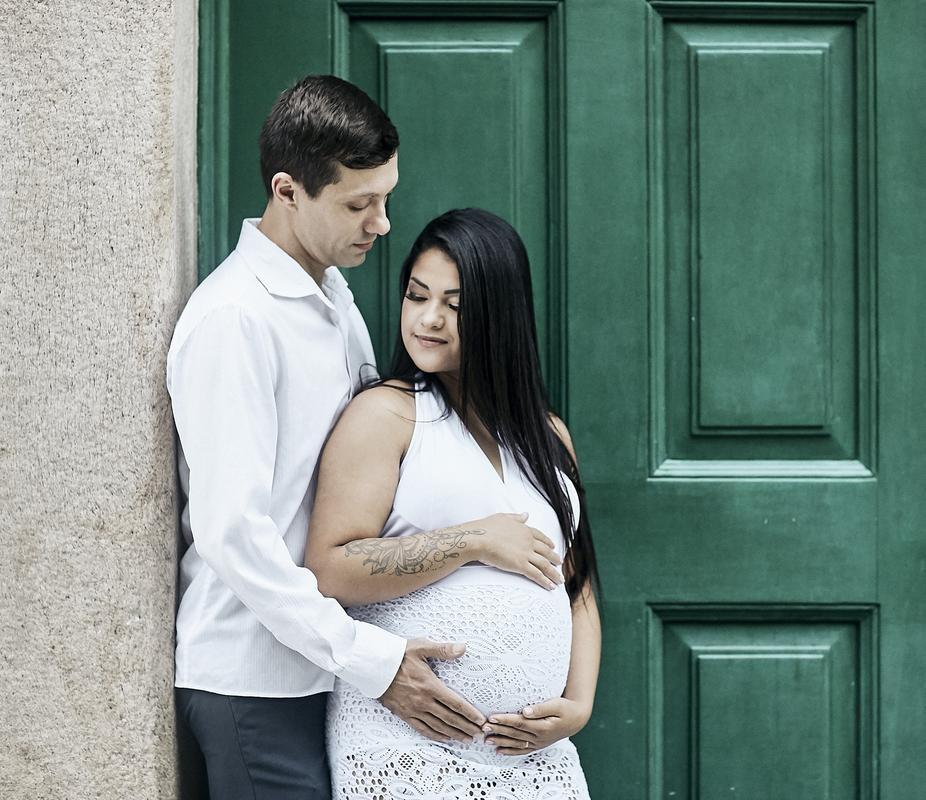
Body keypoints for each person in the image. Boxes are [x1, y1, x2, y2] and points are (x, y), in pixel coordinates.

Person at [168, 77, 555, 799]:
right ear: (287, 192)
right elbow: (232, 533)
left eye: (385, 197)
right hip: (257, 680)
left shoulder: (333, 298)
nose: (381, 223)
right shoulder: (236, 319)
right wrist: (370, 660)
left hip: (324, 674)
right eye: (358, 204)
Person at [305, 208, 601, 798]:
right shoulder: (386, 415)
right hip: (405, 746)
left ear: (499, 314)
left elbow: (577, 583)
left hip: (533, 758)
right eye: (417, 296)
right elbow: (329, 568)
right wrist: (472, 540)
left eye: (455, 305)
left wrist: (579, 703)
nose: (429, 318)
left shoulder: (549, 436)